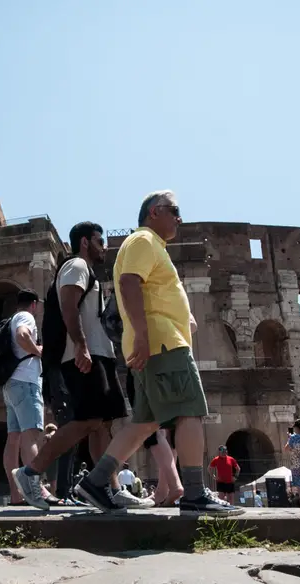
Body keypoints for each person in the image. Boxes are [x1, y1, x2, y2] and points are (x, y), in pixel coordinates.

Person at [73, 191, 241, 515]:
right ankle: (194, 493)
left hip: (155, 342)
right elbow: (128, 283)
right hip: (162, 343)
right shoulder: (144, 241)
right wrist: (144, 334)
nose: (179, 218)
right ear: (154, 212)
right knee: (190, 411)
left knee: (145, 423)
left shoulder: (150, 245)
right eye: (175, 211)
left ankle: (95, 481)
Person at [13, 222, 147, 511]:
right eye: (100, 240)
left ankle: (109, 488)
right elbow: (68, 306)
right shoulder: (76, 265)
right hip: (83, 355)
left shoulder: (89, 272)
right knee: (86, 420)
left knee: (103, 424)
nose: (105, 246)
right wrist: (82, 346)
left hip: (100, 354)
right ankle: (30, 473)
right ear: (85, 242)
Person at [3, 289, 44, 505]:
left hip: (11, 384)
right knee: (31, 436)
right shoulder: (26, 317)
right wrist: (38, 350)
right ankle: (36, 491)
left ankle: (16, 495)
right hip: (26, 381)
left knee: (14, 439)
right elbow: (22, 335)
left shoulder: (12, 318)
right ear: (34, 304)